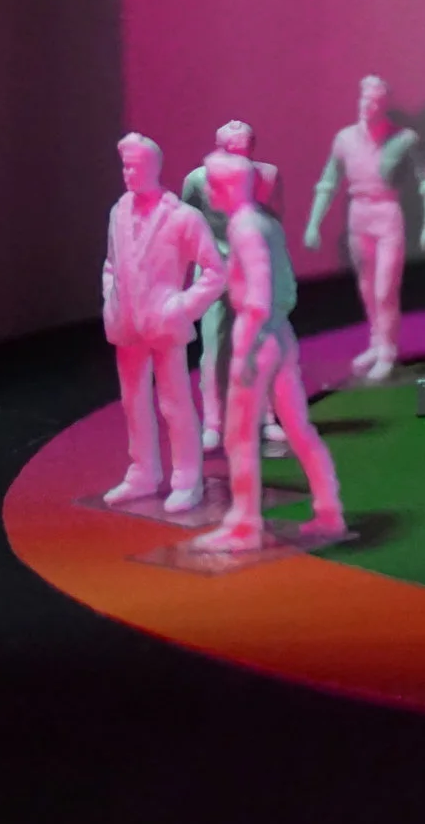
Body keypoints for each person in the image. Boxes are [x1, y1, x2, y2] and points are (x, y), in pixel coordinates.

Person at [189, 153, 344, 552]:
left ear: (225, 187)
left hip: (257, 336)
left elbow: (258, 295)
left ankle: (245, 524)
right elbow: (283, 287)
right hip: (279, 333)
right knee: (298, 428)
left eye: (212, 184)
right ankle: (329, 509)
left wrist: (245, 347)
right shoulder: (266, 223)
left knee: (239, 434)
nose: (207, 191)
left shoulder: (243, 227)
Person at [101, 135, 225, 514]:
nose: (128, 173)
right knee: (133, 401)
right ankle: (143, 470)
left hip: (164, 323)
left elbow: (215, 271)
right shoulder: (119, 212)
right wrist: (111, 301)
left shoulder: (182, 217)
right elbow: (111, 264)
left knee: (174, 403)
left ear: (153, 167)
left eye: (135, 166)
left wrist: (182, 306)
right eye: (125, 165)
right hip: (127, 324)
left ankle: (187, 478)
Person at [303, 74, 425, 381]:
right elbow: (328, 182)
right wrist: (313, 223)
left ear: (384, 105)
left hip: (386, 213)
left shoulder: (404, 139)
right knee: (366, 286)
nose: (368, 106)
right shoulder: (345, 139)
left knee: (384, 288)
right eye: (365, 99)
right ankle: (377, 342)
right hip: (359, 213)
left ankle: (388, 350)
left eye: (375, 102)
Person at [180, 121, 283, 453]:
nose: (239, 159)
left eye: (244, 152)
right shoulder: (198, 180)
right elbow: (187, 225)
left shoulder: (267, 176)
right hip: (214, 270)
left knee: (260, 344)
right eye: (231, 152)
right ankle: (213, 423)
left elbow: (273, 226)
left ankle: (266, 418)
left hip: (251, 270)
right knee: (214, 348)